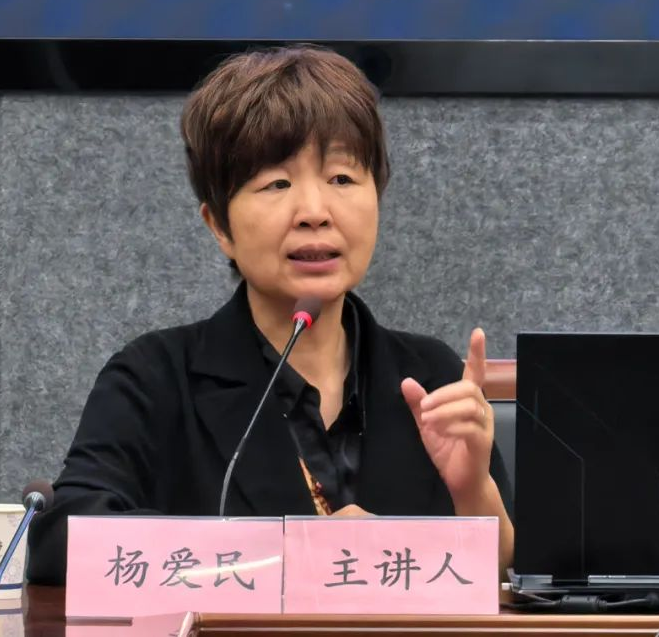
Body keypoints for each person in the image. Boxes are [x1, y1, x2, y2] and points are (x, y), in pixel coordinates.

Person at [26, 45, 514, 584]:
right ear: (219, 226)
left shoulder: (428, 374)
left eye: (342, 179)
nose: (314, 212)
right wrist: (293, 554)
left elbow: (512, 579)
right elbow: (63, 541)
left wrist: (473, 490)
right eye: (277, 184)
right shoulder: (155, 378)